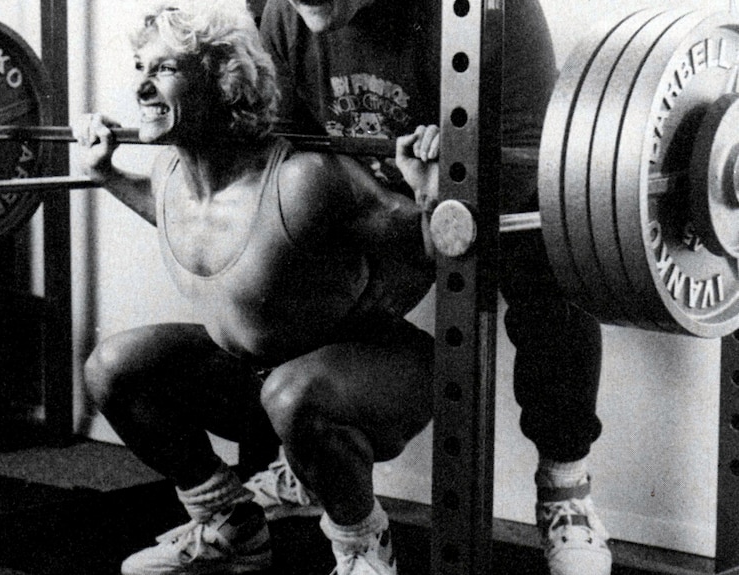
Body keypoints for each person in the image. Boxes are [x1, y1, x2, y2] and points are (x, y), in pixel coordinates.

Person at [74, 1, 440, 573]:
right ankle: (232, 527)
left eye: (165, 70)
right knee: (112, 366)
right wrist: (108, 175)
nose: (142, 87)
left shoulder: (303, 179)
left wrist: (428, 193)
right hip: (264, 378)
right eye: (140, 67)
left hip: (382, 373)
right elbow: (184, 221)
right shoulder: (172, 173)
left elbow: (436, 242)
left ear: (224, 80)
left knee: (292, 396)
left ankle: (365, 551)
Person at [248, 1, 611, 575]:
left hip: (490, 201)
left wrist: (450, 182)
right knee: (287, 232)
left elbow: (532, 159)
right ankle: (308, 467)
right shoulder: (283, 15)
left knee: (549, 259)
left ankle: (565, 491)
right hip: (387, 206)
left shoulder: (499, 10)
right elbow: (288, 151)